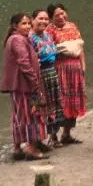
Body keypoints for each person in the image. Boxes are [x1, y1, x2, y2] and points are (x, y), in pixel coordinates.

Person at [0, 12, 48, 160]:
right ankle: (29, 147)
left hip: (21, 85)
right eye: (23, 23)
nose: (27, 26)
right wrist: (35, 83)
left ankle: (18, 148)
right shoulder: (17, 40)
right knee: (29, 115)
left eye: (28, 23)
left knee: (19, 115)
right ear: (15, 26)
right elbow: (24, 63)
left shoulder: (18, 38)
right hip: (24, 85)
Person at [47, 4, 86, 144]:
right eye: (57, 15)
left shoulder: (72, 26)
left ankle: (67, 134)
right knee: (59, 102)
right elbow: (49, 52)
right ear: (51, 17)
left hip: (74, 69)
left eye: (63, 13)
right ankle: (53, 136)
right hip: (60, 69)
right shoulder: (49, 31)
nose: (61, 17)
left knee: (73, 99)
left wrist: (83, 66)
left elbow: (80, 48)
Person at [29, 9, 64, 148]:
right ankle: (38, 141)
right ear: (33, 20)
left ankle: (54, 137)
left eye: (45, 19)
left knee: (54, 105)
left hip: (51, 73)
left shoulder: (48, 35)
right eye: (40, 18)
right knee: (42, 106)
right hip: (40, 74)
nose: (43, 21)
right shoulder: (30, 38)